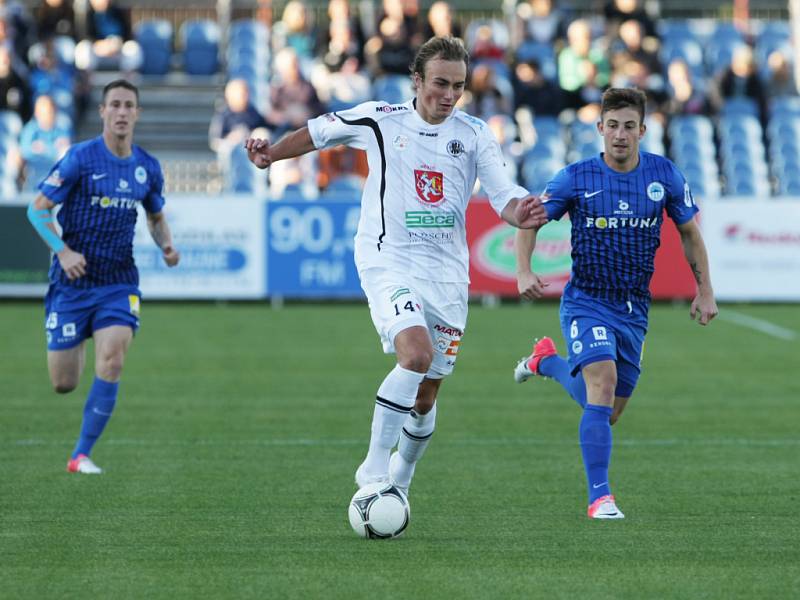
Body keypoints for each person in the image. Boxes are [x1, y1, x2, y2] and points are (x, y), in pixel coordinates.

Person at [246, 36, 547, 497]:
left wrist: (518, 213)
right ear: (417, 80)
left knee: (426, 397)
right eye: (440, 84)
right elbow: (316, 132)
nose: (449, 95)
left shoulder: (473, 133)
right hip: (388, 261)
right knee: (416, 354)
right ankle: (372, 469)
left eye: (459, 86)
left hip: (447, 275)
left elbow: (504, 193)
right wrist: (272, 154)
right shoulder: (381, 119)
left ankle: (400, 482)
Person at [512, 88, 718, 519]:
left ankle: (546, 362)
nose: (620, 134)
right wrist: (524, 271)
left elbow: (690, 234)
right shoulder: (575, 178)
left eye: (629, 126)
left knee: (607, 411)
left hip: (634, 309)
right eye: (613, 126)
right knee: (601, 384)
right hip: (586, 300)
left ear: (643, 130)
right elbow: (528, 218)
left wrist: (705, 290)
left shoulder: (666, 176)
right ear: (600, 128)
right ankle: (600, 497)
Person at [26, 79, 179, 474]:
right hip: (72, 283)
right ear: (103, 111)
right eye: (116, 105)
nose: (123, 112)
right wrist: (63, 250)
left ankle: (80, 455)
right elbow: (37, 210)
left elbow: (156, 217)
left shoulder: (147, 167)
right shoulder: (79, 158)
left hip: (118, 281)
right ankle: (76, 336)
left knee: (112, 359)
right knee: (64, 382)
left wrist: (166, 245)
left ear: (137, 113)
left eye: (130, 105)